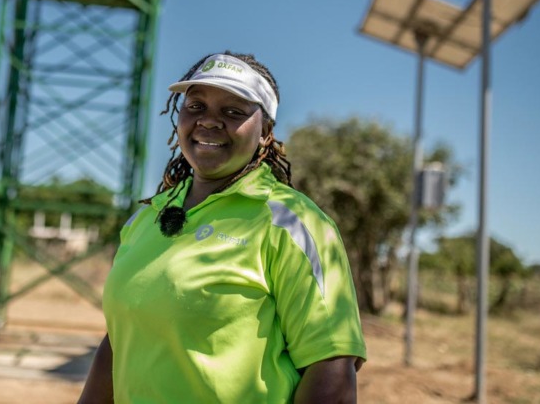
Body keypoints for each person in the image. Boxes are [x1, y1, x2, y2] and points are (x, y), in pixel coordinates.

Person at [78, 51, 367, 403]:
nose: (209, 122)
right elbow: (119, 341)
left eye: (233, 111)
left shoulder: (290, 223)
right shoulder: (146, 219)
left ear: (265, 132)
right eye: (196, 106)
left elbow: (332, 365)